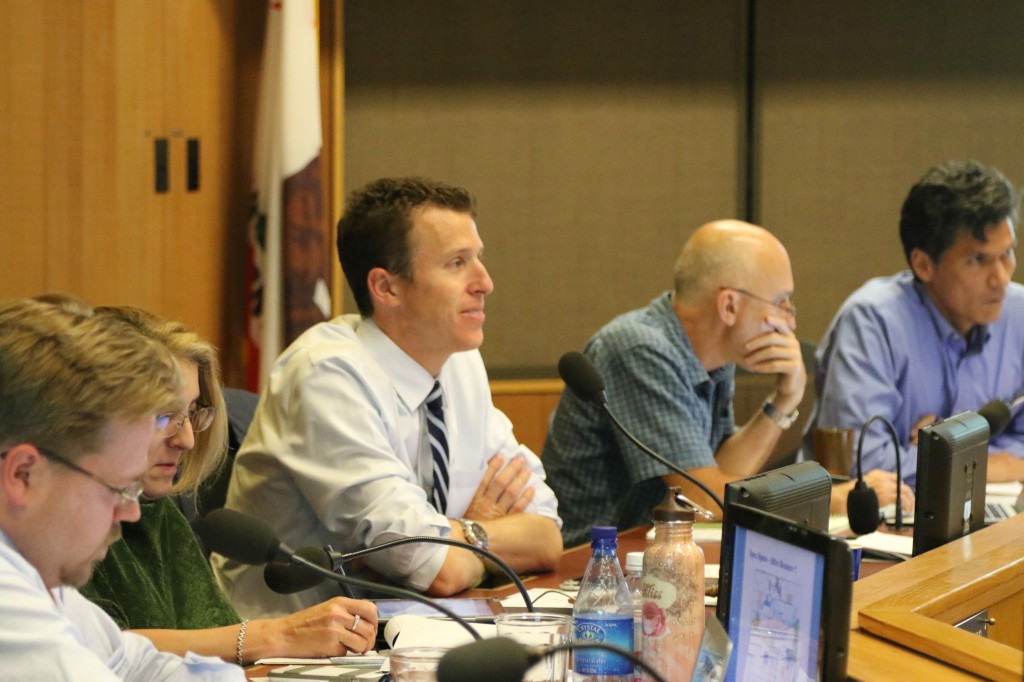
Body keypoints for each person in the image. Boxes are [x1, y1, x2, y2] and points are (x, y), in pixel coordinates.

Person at [213, 177, 563, 617]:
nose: (485, 283)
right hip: (289, 645)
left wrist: (461, 537)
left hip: (413, 630)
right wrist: (478, 534)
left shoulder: (459, 363)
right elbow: (436, 570)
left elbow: (547, 536)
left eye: (479, 258)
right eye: (457, 263)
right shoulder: (326, 376)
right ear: (387, 288)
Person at [80, 307, 378, 664]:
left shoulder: (157, 511)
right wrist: (276, 636)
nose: (187, 440)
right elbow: (100, 652)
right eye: (163, 416)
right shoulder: (64, 523)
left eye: (191, 413)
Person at [0, 297, 242, 680]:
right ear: (23, 475)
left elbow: (134, 661)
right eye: (118, 488)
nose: (132, 511)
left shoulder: (43, 580)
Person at [543, 220, 810, 546]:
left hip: (653, 552)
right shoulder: (639, 350)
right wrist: (807, 499)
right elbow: (703, 502)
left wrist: (785, 399)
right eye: (782, 303)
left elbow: (720, 477)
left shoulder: (714, 359)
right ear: (729, 306)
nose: (790, 322)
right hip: (589, 563)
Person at [805, 160, 1024, 486]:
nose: (1001, 279)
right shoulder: (872, 322)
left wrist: (941, 456)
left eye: (1007, 254)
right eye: (978, 260)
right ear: (923, 265)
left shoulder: (1018, 313)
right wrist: (979, 465)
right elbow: (860, 463)